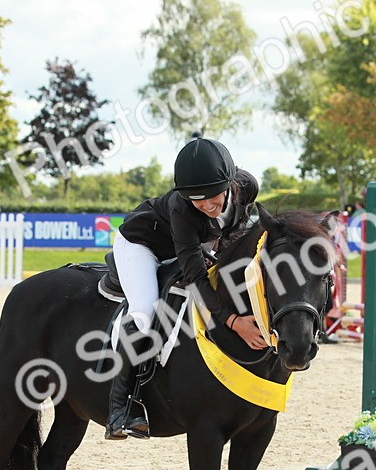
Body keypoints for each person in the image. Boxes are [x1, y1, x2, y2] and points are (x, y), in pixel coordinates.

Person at [105, 136, 260, 440]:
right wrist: (232, 321)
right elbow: (196, 279)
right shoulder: (182, 209)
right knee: (146, 313)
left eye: (213, 196)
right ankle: (120, 407)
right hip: (142, 246)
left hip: (190, 245)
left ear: (231, 184)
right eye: (197, 200)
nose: (206, 205)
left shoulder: (248, 186)